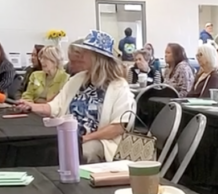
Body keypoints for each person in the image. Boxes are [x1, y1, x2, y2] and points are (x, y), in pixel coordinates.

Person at [16, 30, 135, 163]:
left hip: (101, 141)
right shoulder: (77, 79)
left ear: (96, 57)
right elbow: (55, 106)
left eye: (86, 53)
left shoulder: (119, 86)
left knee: (84, 152)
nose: (81, 56)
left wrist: (85, 138)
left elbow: (118, 127)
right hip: (70, 136)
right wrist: (31, 106)